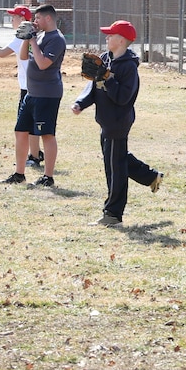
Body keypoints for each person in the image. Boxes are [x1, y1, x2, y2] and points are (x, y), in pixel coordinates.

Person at [71, 20, 163, 226]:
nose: (106, 37)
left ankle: (112, 214)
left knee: (115, 169)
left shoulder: (129, 68)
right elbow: (93, 87)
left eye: (110, 35)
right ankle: (151, 177)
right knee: (116, 160)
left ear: (121, 40)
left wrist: (108, 79)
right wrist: (80, 102)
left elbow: (123, 97)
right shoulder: (105, 59)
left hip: (118, 122)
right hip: (106, 121)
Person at [0, 4, 65, 188]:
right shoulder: (41, 36)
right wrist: (26, 39)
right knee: (20, 132)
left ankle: (48, 177)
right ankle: (19, 174)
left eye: (37, 19)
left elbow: (43, 63)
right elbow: (23, 57)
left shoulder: (56, 39)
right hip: (31, 92)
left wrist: (34, 40)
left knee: (46, 135)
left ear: (48, 19)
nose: (34, 22)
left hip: (47, 94)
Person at [0, 5, 45, 168]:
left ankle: (34, 156)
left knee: (28, 124)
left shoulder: (21, 37)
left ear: (23, 19)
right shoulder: (36, 35)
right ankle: (35, 153)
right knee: (33, 122)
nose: (11, 19)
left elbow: (1, 53)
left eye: (14, 17)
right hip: (37, 84)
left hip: (29, 86)